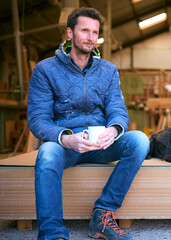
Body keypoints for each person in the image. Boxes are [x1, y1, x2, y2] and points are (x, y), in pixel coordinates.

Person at [27, 7, 149, 240]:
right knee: (47, 152)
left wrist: (113, 130)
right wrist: (65, 138)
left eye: (95, 32)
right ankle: (52, 233)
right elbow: (37, 119)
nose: (91, 37)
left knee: (140, 140)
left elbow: (117, 111)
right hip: (66, 144)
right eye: (85, 30)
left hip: (101, 143)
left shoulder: (108, 70)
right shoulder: (45, 70)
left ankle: (103, 214)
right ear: (70, 33)